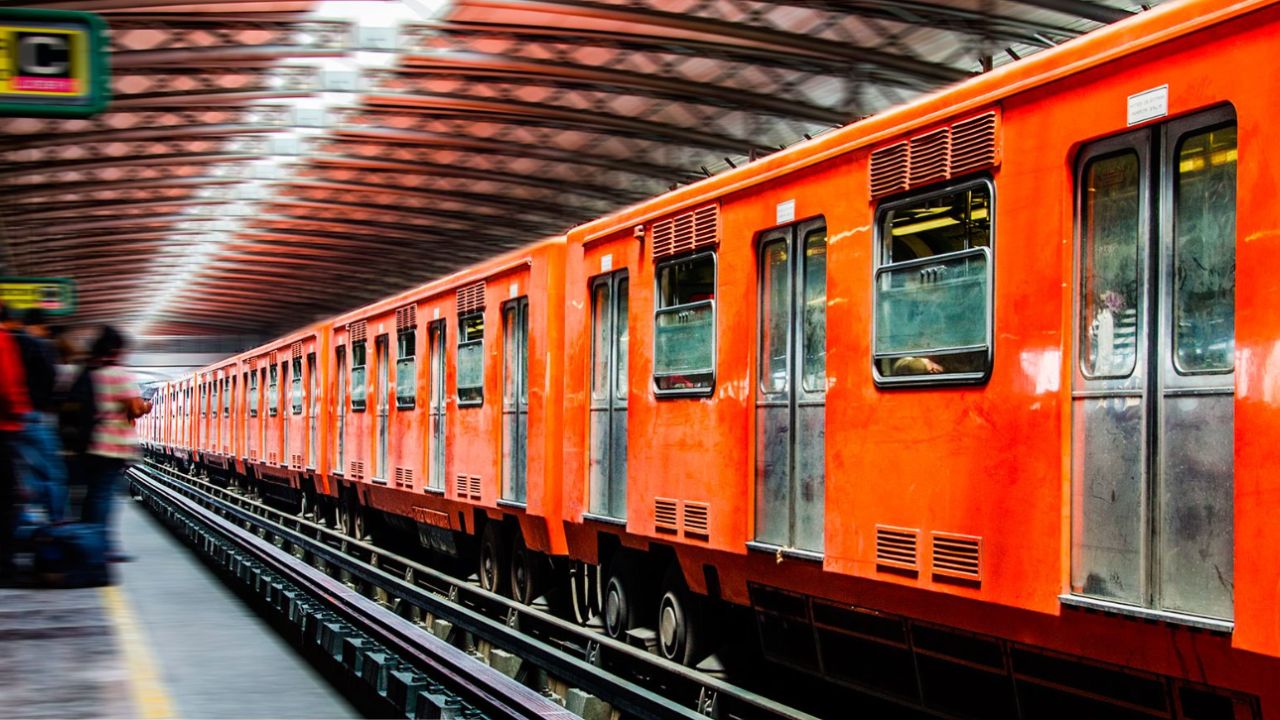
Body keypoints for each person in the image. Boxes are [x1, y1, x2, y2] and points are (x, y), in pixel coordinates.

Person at [80, 326, 146, 563]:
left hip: (91, 440)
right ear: (117, 350)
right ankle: (103, 545)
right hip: (113, 442)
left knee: (95, 494)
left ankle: (90, 541)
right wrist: (145, 406)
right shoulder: (120, 374)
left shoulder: (91, 372)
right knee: (106, 495)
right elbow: (137, 408)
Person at [11, 308, 68, 523]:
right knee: (52, 473)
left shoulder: (8, 343)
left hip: (9, 420)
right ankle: (55, 523)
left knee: (17, 471)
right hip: (34, 416)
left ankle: (22, 519)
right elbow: (52, 381)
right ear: (41, 327)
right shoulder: (40, 345)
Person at [0, 307, 33, 583]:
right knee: (10, 497)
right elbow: (10, 387)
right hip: (5, 429)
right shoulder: (3, 340)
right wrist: (22, 413)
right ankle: (6, 565)